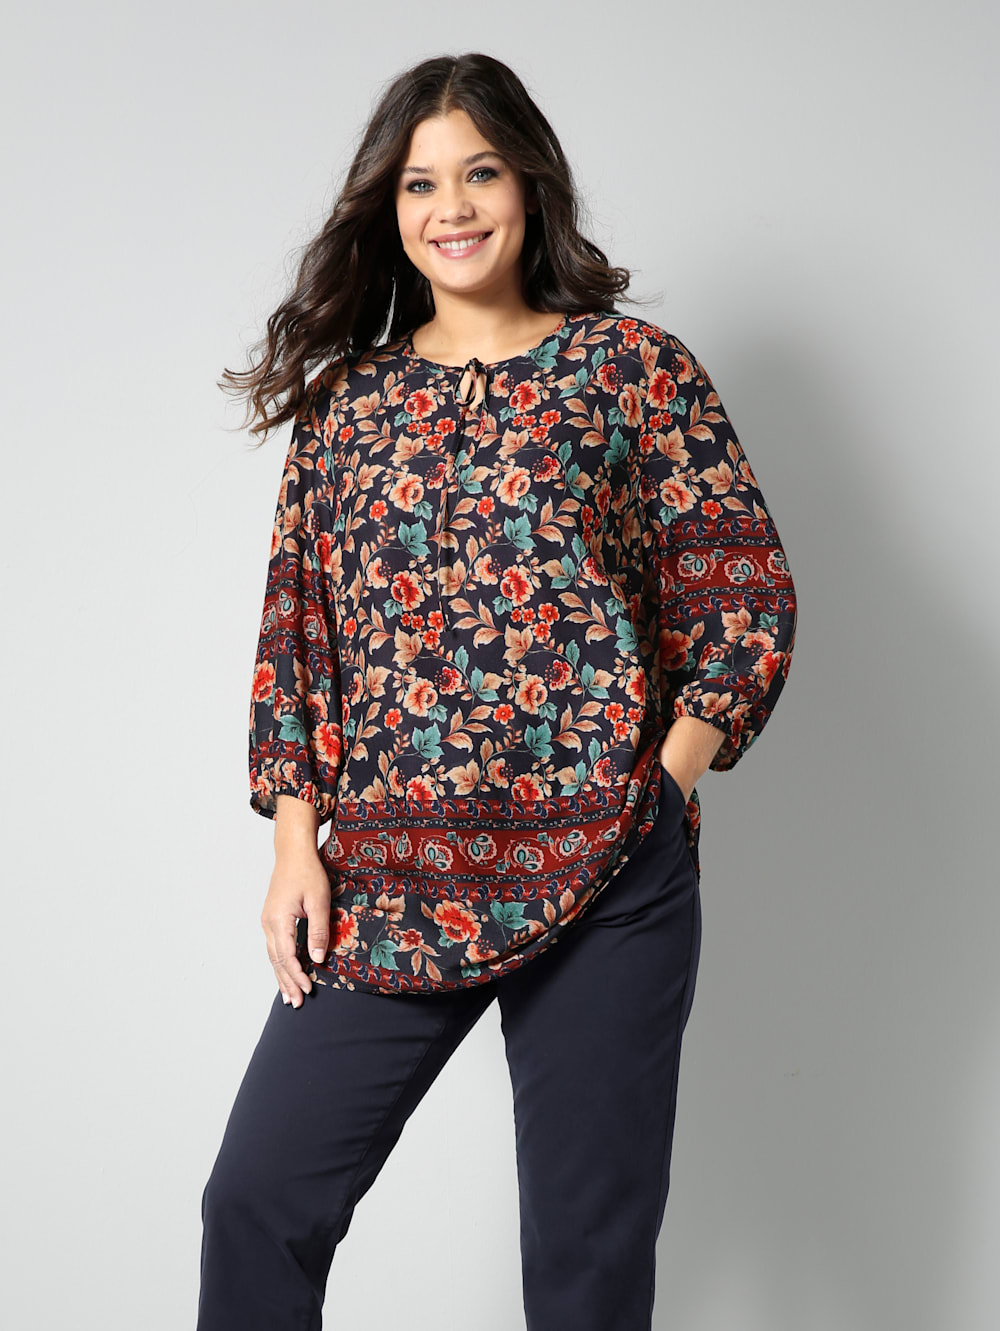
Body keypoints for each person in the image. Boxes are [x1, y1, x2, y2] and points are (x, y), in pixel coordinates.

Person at [197, 51, 798, 1331]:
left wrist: (661, 786)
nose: (452, 207)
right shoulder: (347, 407)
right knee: (256, 1199)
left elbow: (741, 590)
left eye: (478, 173)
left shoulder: (631, 370)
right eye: (420, 182)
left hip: (606, 870)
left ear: (529, 184)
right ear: (389, 206)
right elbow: (297, 636)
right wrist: (296, 844)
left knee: (584, 1266)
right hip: (390, 870)